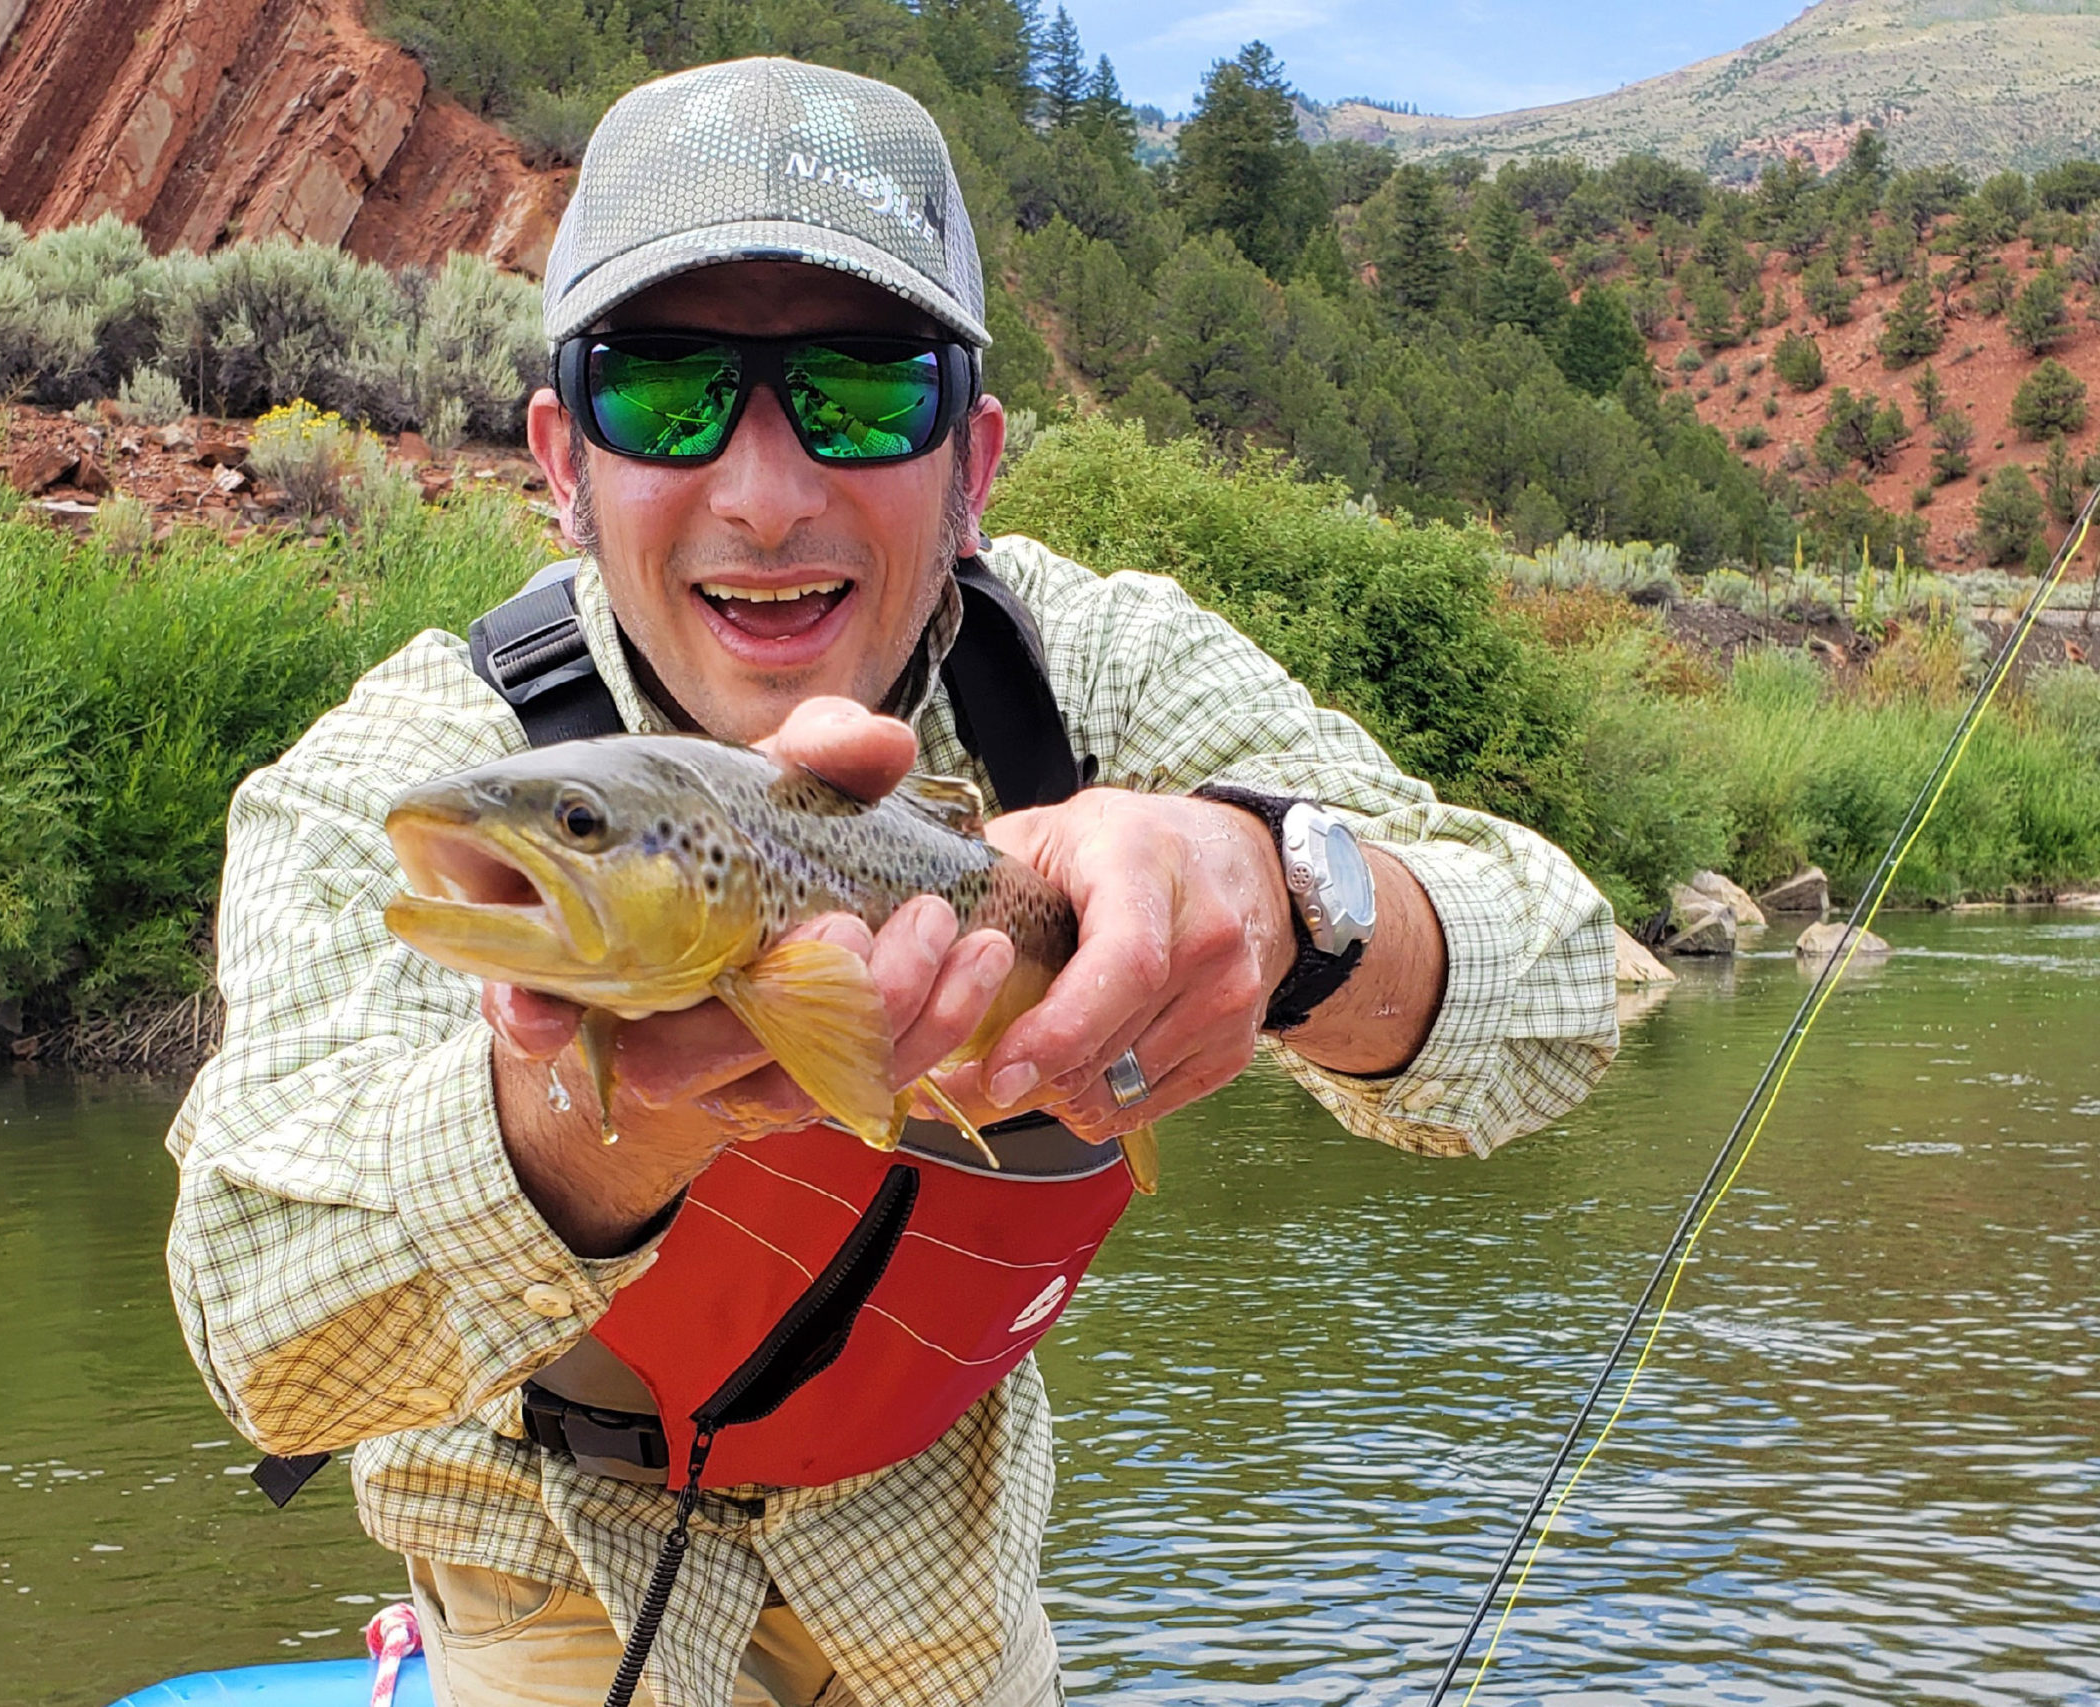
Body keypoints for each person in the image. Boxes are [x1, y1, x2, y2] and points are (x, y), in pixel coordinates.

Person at [166, 56, 1618, 1707]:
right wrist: (592, 1120)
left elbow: (1567, 996)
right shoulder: (425, 778)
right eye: (666, 395)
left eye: (862, 397)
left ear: (975, 458)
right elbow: (254, 1330)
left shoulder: (1084, 677)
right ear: (563, 458)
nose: (768, 495)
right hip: (549, 1598)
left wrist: (1290, 909)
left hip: (951, 1618)